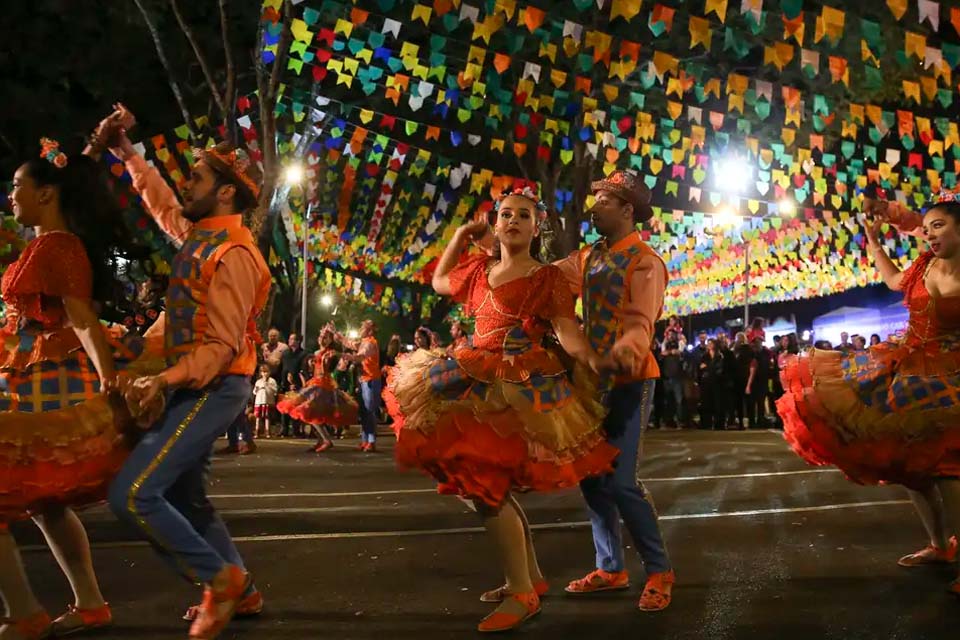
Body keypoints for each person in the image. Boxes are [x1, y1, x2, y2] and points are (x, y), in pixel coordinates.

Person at [385, 187, 617, 633]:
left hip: (517, 388)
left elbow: (567, 332)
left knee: (486, 487)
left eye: (523, 216)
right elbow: (438, 280)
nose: (512, 221)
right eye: (506, 214)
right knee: (480, 487)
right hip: (470, 375)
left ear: (537, 226)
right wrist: (458, 236)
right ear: (495, 225)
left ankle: (521, 592)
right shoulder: (480, 271)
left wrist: (594, 361)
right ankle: (528, 578)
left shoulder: (547, 278)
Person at [99, 105, 271, 639]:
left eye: (196, 176)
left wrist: (164, 379)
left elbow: (221, 348)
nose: (185, 183)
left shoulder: (236, 255)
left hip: (214, 385)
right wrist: (128, 153)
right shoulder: (203, 237)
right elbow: (163, 206)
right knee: (187, 498)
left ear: (225, 193)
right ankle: (241, 590)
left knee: (133, 495)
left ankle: (216, 579)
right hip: (193, 381)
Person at [0, 138, 158, 639]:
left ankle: (25, 612)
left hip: (48, 381)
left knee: (26, 494)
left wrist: (109, 376)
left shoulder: (57, 246)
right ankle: (89, 603)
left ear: (46, 194)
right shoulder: (46, 242)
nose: (11, 194)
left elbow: (83, 316)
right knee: (45, 502)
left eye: (18, 186)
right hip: (29, 373)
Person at [778, 192, 960, 590]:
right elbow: (895, 281)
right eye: (926, 228)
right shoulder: (924, 265)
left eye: (939, 226)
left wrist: (899, 216)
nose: (929, 235)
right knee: (912, 467)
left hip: (951, 378)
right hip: (909, 371)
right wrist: (874, 240)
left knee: (948, 471)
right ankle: (939, 545)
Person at [553, 169, 675, 611]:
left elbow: (642, 321)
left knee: (622, 482)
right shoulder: (588, 257)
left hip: (632, 378)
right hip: (591, 380)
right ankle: (610, 567)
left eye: (603, 201)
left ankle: (660, 571)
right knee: (591, 479)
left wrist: (626, 348)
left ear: (627, 210)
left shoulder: (645, 261)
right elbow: (549, 283)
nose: (594, 206)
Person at [277, 328, 358, 453]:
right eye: (321, 336)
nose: (321, 339)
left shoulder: (330, 352)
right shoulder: (316, 352)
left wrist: (327, 360)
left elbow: (329, 369)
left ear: (330, 340)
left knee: (310, 411)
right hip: (316, 382)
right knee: (312, 412)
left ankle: (326, 439)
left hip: (323, 385)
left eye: (325, 337)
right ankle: (321, 440)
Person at [337, 320, 380, 452]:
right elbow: (351, 344)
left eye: (363, 327)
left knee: (369, 411)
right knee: (364, 411)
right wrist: (338, 336)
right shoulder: (364, 342)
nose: (360, 328)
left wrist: (344, 356)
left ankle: (371, 441)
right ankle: (365, 440)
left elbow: (360, 357)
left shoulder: (370, 343)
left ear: (370, 330)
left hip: (371, 379)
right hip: (364, 379)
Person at [252, 364, 278, 439]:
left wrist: (267, 385)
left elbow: (275, 390)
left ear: (269, 372)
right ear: (261, 373)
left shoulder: (272, 381)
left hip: (268, 401)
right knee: (257, 417)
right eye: (263, 372)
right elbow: (254, 392)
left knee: (267, 417)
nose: (265, 374)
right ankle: (256, 432)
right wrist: (256, 390)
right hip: (259, 401)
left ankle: (267, 433)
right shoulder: (258, 381)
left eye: (266, 372)